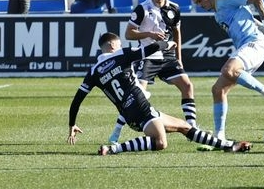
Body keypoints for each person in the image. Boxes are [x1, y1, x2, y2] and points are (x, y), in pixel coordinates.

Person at [67, 32, 251, 156]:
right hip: (140, 105)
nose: (121, 45)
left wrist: (72, 124)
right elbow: (150, 49)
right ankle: (113, 149)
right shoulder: (121, 54)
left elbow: (77, 100)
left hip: (129, 114)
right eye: (119, 43)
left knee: (184, 126)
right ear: (112, 45)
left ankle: (228, 146)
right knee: (161, 143)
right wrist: (167, 43)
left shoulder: (93, 71)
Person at [187, 0, 264, 146]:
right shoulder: (217, 14)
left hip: (254, 44)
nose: (199, 5)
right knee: (218, 90)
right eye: (196, 3)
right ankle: (219, 137)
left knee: (228, 69)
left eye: (200, 1)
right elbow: (250, 18)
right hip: (250, 46)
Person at [108, 0, 197, 143]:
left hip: (168, 57)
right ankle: (116, 132)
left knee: (187, 85)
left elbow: (177, 33)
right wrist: (149, 34)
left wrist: (179, 58)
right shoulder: (142, 9)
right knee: (137, 95)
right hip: (147, 56)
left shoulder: (174, 8)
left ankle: (192, 127)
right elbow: (128, 33)